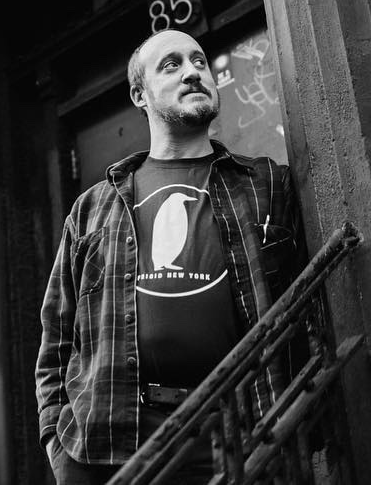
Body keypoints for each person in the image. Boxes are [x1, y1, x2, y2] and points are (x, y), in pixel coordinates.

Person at [34, 28, 305, 484]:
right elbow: (56, 336)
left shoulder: (266, 186)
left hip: (240, 435)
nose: (193, 73)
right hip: (109, 447)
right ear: (139, 95)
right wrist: (54, 443)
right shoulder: (94, 206)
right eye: (171, 65)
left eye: (199, 61)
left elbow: (307, 309)